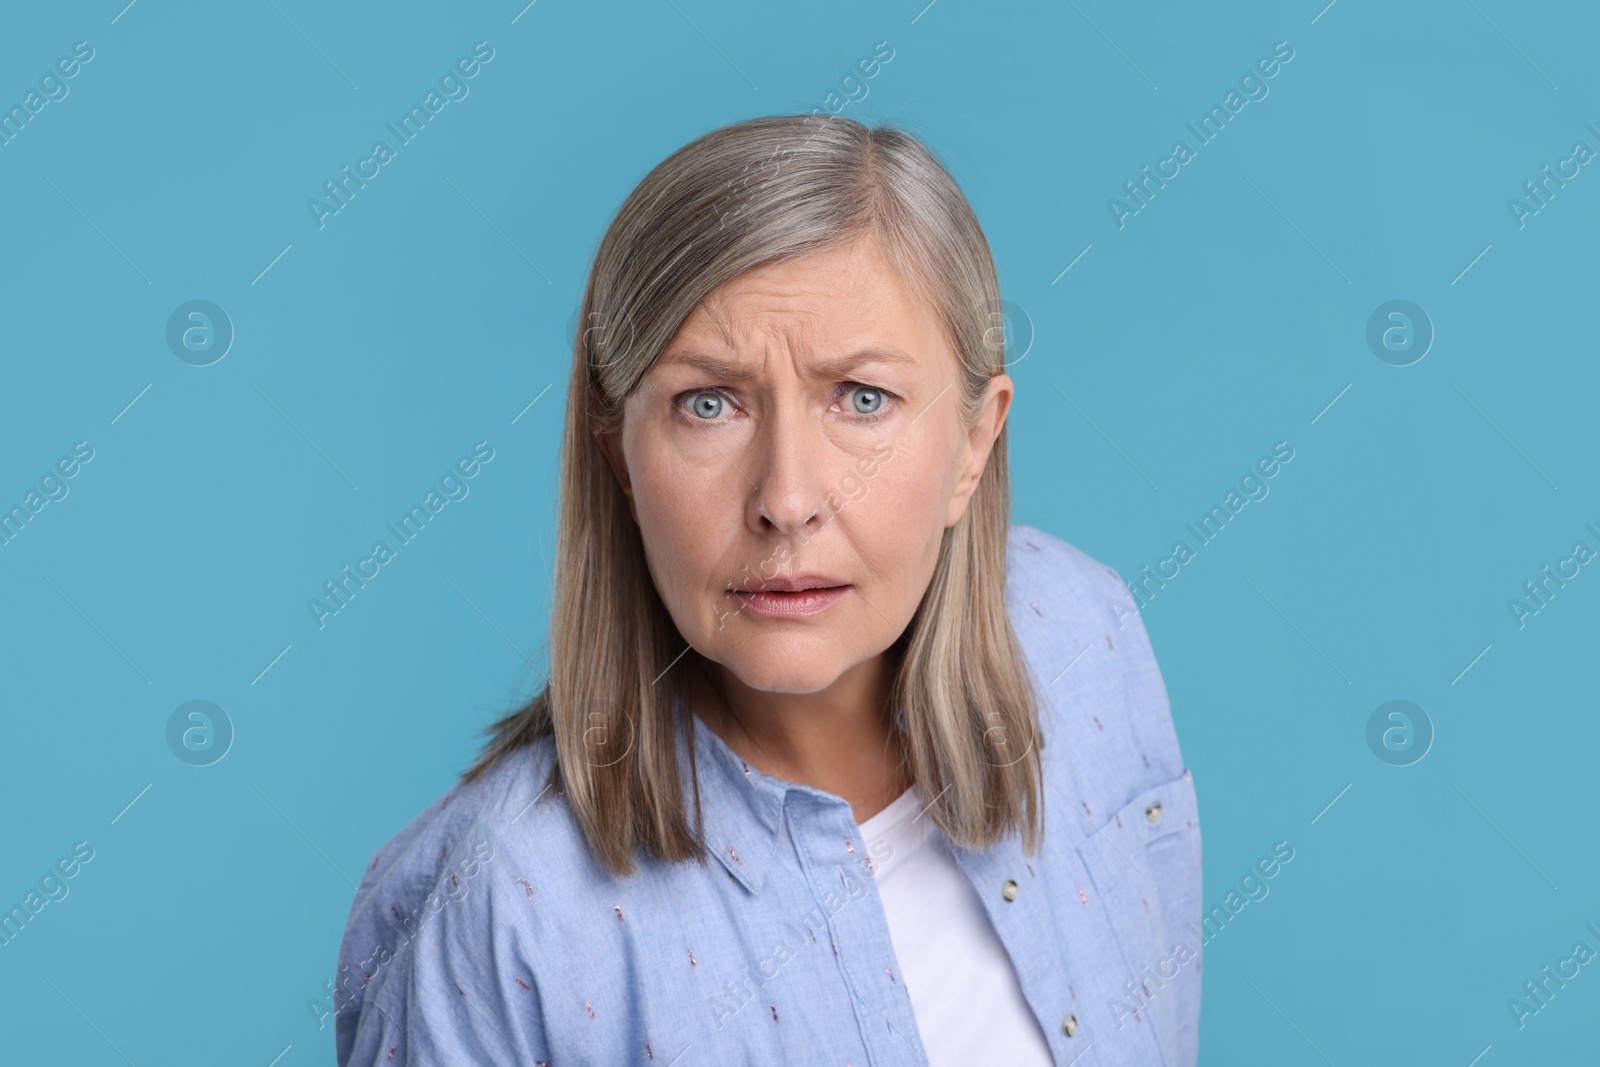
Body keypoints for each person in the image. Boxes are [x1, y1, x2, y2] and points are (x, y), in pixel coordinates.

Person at [334, 113, 1200, 1067]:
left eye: (862, 397)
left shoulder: (1084, 631)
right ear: (617, 451)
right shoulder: (503, 912)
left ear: (973, 443)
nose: (787, 500)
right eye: (710, 403)